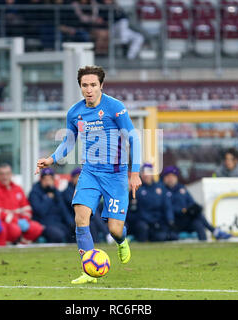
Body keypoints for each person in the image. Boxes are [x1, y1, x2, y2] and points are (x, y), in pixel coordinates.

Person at [35, 65, 142, 284]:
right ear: (80, 87)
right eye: (85, 85)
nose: (89, 89)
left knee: (114, 229)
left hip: (115, 175)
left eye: (93, 85)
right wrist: (52, 159)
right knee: (81, 218)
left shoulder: (115, 108)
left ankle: (121, 240)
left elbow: (134, 138)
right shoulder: (75, 112)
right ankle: (88, 270)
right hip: (90, 173)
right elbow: (69, 141)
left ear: (101, 85)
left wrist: (135, 172)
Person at [162, 166, 232, 241]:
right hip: (174, 221)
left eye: (173, 176)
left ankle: (204, 246)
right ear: (165, 178)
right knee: (198, 216)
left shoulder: (182, 188)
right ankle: (214, 231)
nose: (171, 179)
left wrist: (192, 209)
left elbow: (191, 202)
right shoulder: (162, 190)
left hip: (186, 219)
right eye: (168, 176)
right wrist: (181, 210)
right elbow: (167, 208)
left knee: (198, 222)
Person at [0, 163, 44, 244]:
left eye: (7, 174)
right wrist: (16, 221)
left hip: (19, 220)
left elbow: (26, 208)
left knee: (37, 228)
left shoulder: (18, 188)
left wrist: (25, 219)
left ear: (11, 175)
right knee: (15, 230)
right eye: (2, 174)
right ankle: (11, 245)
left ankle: (21, 246)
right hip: (5, 222)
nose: (5, 177)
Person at [62, 167, 113, 243]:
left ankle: (99, 242)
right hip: (74, 218)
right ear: (73, 178)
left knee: (94, 218)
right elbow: (75, 206)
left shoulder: (87, 189)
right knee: (91, 220)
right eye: (78, 176)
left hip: (88, 216)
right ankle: (106, 234)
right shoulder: (67, 192)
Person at [28, 168, 74, 243]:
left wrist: (71, 223)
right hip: (43, 224)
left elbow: (63, 210)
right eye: (45, 179)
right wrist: (48, 199)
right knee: (58, 235)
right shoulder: (35, 193)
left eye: (50, 179)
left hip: (58, 223)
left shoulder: (56, 192)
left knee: (73, 232)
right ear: (41, 180)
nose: (48, 182)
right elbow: (40, 211)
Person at [131, 163, 174, 242]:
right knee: (142, 228)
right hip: (142, 222)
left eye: (148, 173)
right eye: (144, 173)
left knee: (162, 236)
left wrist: (170, 220)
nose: (146, 175)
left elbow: (167, 206)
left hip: (158, 221)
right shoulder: (137, 189)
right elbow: (132, 209)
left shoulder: (160, 188)